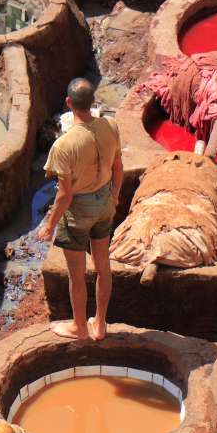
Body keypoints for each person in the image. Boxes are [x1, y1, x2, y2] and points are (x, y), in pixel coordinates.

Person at [38, 77, 123, 340]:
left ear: (68, 103)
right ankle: (100, 324)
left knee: (77, 276)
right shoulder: (110, 125)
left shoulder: (64, 145)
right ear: (93, 101)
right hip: (104, 201)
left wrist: (50, 225)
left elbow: (64, 195)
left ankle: (79, 327)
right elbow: (118, 167)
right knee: (103, 267)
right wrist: (114, 196)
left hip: (79, 209)